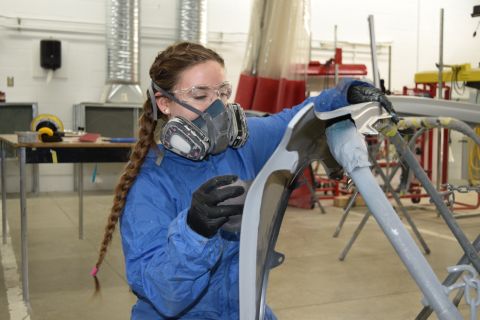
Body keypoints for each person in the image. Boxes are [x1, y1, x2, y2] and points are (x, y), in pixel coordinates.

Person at [91, 41, 393, 319]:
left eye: (222, 93)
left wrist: (348, 93)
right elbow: (167, 297)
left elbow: (301, 117)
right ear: (164, 103)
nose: (218, 108)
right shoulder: (149, 186)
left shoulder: (243, 145)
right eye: (200, 95)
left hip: (243, 309)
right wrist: (195, 231)